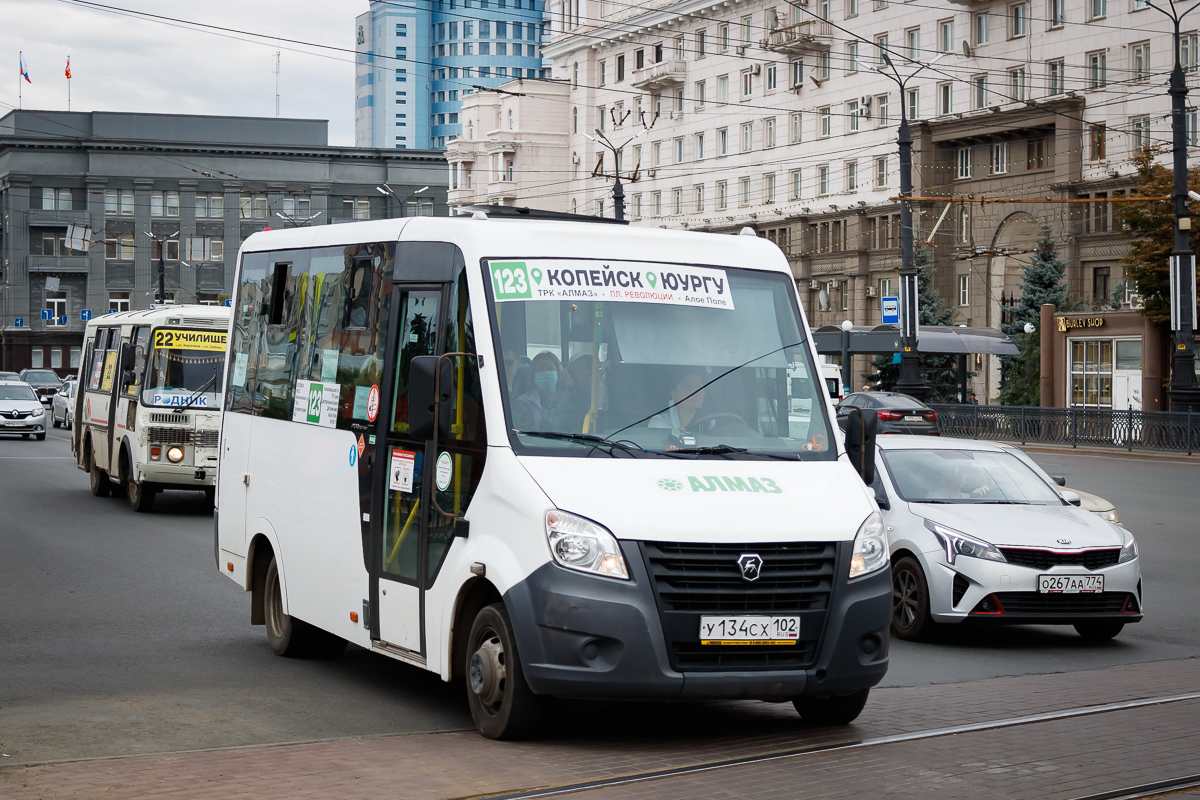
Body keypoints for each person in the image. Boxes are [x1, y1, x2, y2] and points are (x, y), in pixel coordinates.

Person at [512, 351, 562, 432]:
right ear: (533, 375)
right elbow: (526, 438)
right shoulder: (522, 403)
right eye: (540, 370)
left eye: (550, 369)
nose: (545, 372)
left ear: (558, 372)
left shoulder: (567, 399)